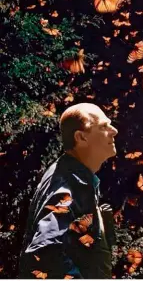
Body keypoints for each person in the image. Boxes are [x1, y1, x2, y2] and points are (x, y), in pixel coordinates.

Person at [19, 103, 118, 279]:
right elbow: (45, 252)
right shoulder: (69, 184)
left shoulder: (74, 176)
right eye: (104, 126)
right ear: (81, 137)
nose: (114, 131)